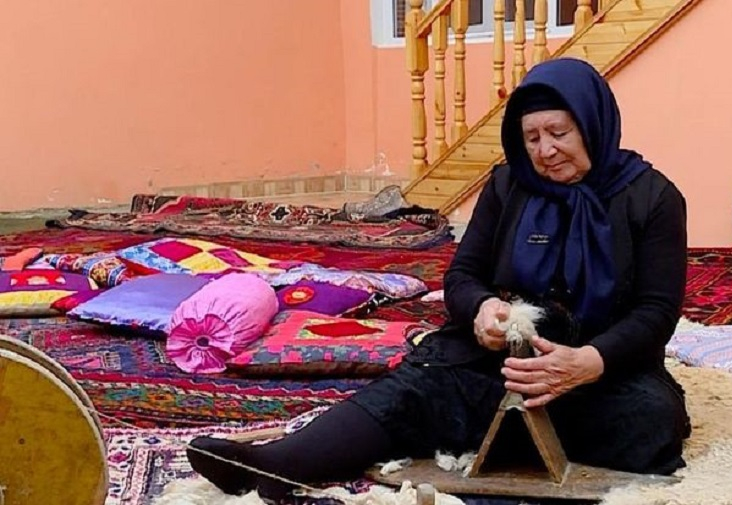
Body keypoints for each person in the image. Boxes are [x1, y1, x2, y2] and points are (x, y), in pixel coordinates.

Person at [186, 57, 691, 501]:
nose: (545, 151)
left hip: (600, 367)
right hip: (501, 362)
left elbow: (656, 311)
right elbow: (463, 275)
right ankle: (280, 464)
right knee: (417, 383)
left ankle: (476, 429)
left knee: (652, 420)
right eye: (532, 137)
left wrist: (587, 363)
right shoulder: (508, 185)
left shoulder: (653, 198)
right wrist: (482, 310)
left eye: (559, 133)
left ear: (593, 123)